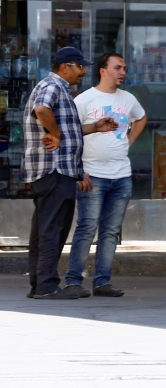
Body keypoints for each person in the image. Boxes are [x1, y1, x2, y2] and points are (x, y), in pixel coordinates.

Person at [24, 47, 117, 300]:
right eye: (80, 66)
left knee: (44, 230)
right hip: (54, 170)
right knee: (53, 229)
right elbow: (42, 110)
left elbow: (67, 129)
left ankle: (39, 285)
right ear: (65, 66)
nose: (84, 71)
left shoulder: (58, 88)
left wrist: (94, 127)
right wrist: (53, 134)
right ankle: (46, 285)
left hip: (57, 171)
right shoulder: (53, 85)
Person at [64, 52, 147, 298]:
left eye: (124, 68)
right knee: (87, 228)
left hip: (121, 175)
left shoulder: (128, 99)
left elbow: (141, 118)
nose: (122, 72)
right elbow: (71, 134)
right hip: (93, 175)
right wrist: (79, 171)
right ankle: (73, 281)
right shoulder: (84, 100)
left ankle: (102, 282)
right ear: (103, 70)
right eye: (118, 67)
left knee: (111, 231)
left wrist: (128, 142)